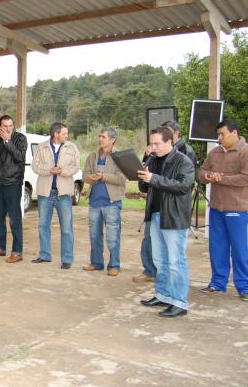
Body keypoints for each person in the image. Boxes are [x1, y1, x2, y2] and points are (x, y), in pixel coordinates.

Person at [138, 126, 194, 318]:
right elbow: (145, 187)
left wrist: (154, 178)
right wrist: (144, 173)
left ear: (170, 142)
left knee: (175, 261)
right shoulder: (153, 159)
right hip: (155, 214)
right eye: (151, 143)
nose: (152, 147)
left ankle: (179, 302)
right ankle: (163, 295)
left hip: (173, 217)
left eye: (157, 143)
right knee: (160, 260)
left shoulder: (183, 161)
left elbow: (183, 186)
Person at [198, 119, 248, 301]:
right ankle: (218, 283)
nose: (219, 138)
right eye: (218, 135)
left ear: (234, 133)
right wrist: (209, 175)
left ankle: (244, 287)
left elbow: (245, 178)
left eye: (222, 135)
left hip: (238, 209)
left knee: (240, 249)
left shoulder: (245, 151)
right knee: (217, 247)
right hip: (216, 208)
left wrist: (221, 178)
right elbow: (201, 173)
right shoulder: (215, 152)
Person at [31, 122, 80, 269]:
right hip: (45, 193)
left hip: (63, 194)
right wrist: (49, 170)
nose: (67, 135)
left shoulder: (72, 147)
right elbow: (35, 166)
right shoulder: (41, 147)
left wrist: (61, 170)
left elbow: (76, 166)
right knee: (43, 226)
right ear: (56, 134)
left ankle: (67, 259)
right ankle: (45, 255)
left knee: (66, 228)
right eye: (65, 133)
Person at [82, 127, 126, 276]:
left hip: (112, 203)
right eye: (99, 136)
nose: (100, 139)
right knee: (94, 236)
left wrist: (103, 176)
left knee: (112, 237)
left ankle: (114, 265)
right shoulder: (92, 156)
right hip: (94, 202)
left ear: (112, 140)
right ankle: (96, 263)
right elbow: (85, 175)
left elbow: (121, 179)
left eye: (104, 137)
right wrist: (91, 178)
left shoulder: (120, 157)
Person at [0, 115, 27, 263]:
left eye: (11, 126)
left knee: (15, 220)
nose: (8, 129)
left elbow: (19, 157)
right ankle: (0, 248)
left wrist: (8, 141)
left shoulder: (20, 139)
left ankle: (17, 252)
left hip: (13, 184)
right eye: (5, 126)